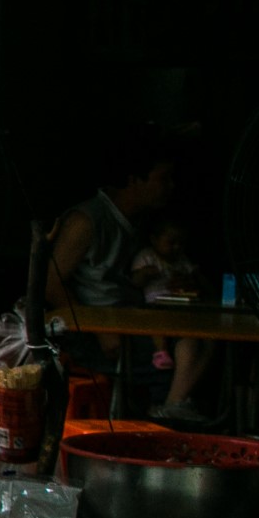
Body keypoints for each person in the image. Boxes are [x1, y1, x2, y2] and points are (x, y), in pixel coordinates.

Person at [45, 136, 212, 422]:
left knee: (204, 342)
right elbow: (50, 284)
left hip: (133, 322)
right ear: (134, 180)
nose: (171, 186)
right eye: (163, 178)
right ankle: (164, 421)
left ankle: (170, 410)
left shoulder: (140, 222)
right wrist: (97, 329)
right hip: (94, 335)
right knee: (174, 358)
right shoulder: (87, 221)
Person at [132, 217, 204, 373]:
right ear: (154, 240)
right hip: (155, 302)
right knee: (157, 322)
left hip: (180, 301)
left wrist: (187, 280)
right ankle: (161, 351)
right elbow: (135, 281)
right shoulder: (147, 256)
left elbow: (195, 278)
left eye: (181, 243)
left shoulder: (181, 259)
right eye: (171, 242)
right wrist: (145, 273)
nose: (176, 247)